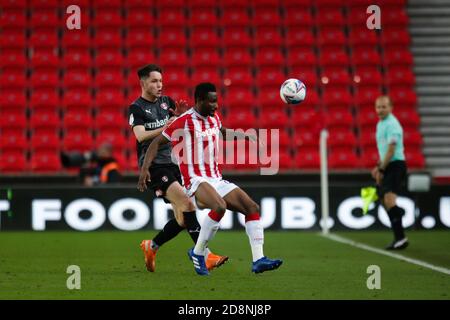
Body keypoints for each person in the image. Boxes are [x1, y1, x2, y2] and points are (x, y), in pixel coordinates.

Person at [138, 82, 283, 276]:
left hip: (215, 178)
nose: (216, 105)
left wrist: (246, 137)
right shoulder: (184, 121)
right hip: (195, 179)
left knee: (252, 208)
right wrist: (145, 169)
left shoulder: (214, 118)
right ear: (199, 101)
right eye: (212, 101)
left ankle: (258, 260)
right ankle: (198, 253)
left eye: (217, 101)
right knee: (219, 207)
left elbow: (222, 132)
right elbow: (156, 142)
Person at [128, 64, 228, 272]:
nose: (159, 85)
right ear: (143, 83)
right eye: (154, 81)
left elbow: (183, 124)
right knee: (188, 205)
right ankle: (206, 256)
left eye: (161, 81)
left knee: (183, 219)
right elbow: (140, 135)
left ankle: (152, 245)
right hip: (155, 166)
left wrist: (181, 116)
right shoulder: (137, 108)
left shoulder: (166, 103)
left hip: (176, 164)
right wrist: (165, 127)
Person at [371, 96, 409, 250]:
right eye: (378, 107)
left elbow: (392, 150)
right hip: (388, 164)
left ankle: (400, 235)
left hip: (396, 165)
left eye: (383, 107)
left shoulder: (393, 125)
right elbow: (385, 150)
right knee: (383, 199)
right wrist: (378, 166)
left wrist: (381, 168)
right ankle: (399, 236)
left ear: (391, 108)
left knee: (388, 199)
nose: (380, 110)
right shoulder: (381, 124)